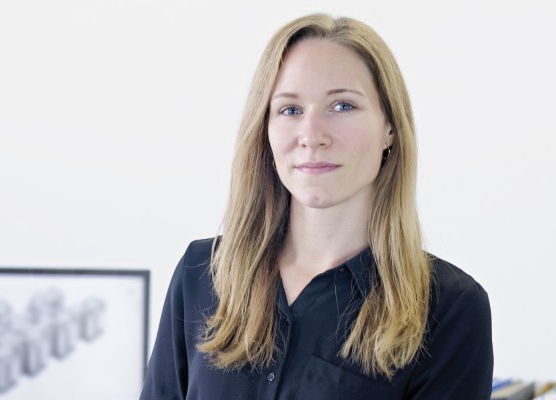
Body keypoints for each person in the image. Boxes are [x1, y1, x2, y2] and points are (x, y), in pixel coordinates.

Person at [140, 13, 493, 400]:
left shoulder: (450, 308)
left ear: (390, 128)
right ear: (265, 129)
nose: (311, 136)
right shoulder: (202, 272)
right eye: (290, 110)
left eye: (342, 106)